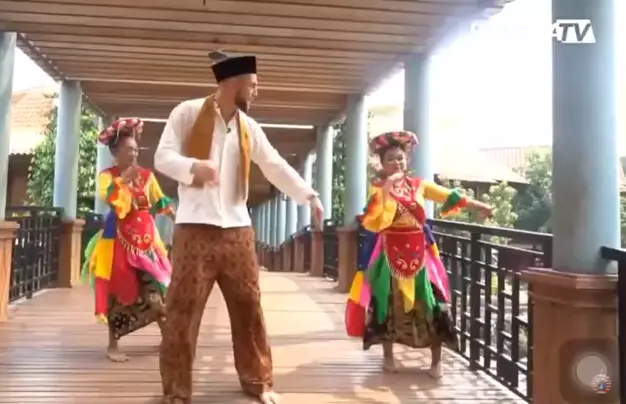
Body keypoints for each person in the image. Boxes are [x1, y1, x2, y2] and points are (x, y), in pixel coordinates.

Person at [153, 51, 324, 404]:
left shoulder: (249, 128)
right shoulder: (187, 113)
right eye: (253, 85)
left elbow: (274, 165)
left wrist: (309, 196)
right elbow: (162, 157)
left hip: (238, 231)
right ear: (232, 83)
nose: (257, 91)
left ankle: (259, 382)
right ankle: (176, 392)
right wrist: (193, 168)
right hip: (194, 229)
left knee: (249, 309)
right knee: (182, 312)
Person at [345, 130, 493, 379]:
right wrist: (387, 189)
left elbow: (449, 196)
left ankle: (436, 361)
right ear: (382, 164)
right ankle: (388, 357)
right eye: (390, 159)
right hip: (389, 254)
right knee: (387, 304)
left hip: (421, 255)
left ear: (407, 160)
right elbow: (374, 221)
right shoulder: (378, 190)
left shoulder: (419, 186)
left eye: (400, 158)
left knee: (433, 305)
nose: (396, 163)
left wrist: (479, 206)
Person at [82, 118, 175, 362]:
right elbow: (110, 198)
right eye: (128, 150)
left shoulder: (146, 176)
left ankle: (167, 337)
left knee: (157, 289)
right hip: (118, 240)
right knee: (119, 292)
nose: (134, 154)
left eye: (135, 149)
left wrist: (178, 218)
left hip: (147, 241)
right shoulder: (107, 176)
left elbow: (160, 200)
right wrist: (123, 180)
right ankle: (113, 344)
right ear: (115, 153)